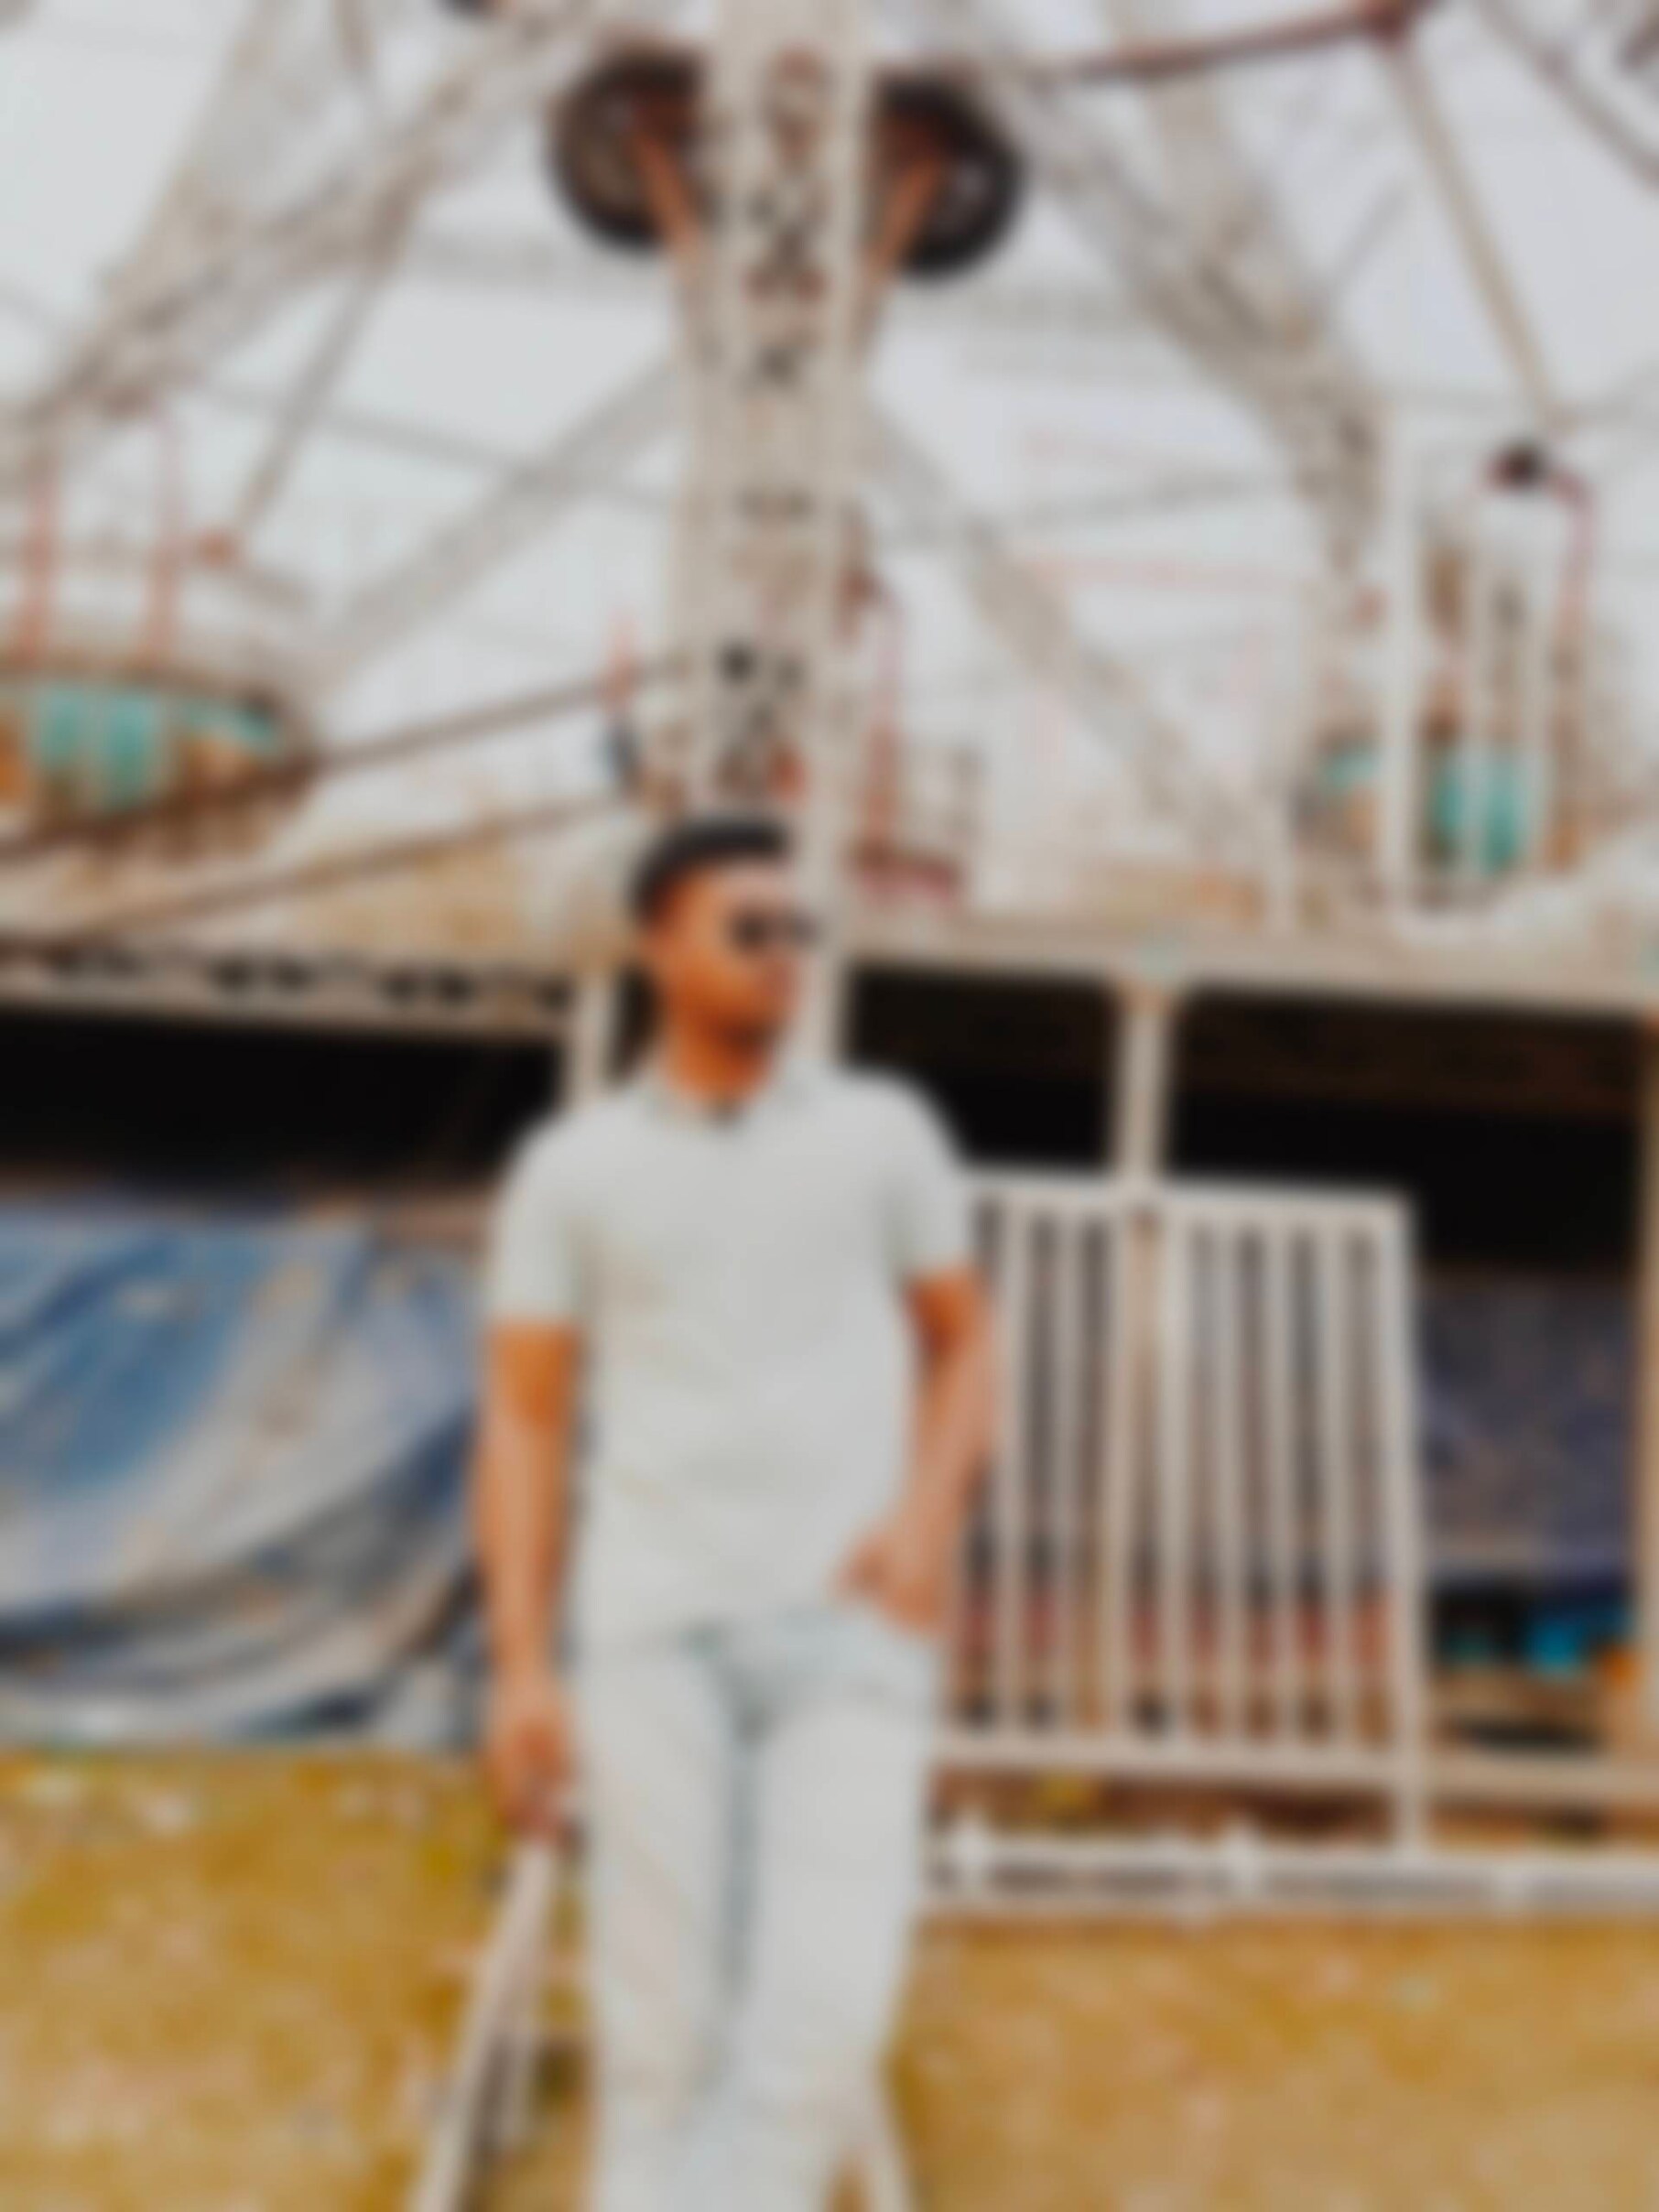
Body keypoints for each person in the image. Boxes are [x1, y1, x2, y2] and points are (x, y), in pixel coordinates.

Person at [472, 810, 994, 2212]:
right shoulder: (574, 1168)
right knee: (660, 2043)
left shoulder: (884, 1133)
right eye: (747, 928)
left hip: (850, 1636)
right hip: (655, 1635)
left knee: (821, 2030)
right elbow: (524, 1416)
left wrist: (927, 1518)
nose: (783, 954)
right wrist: (521, 1666)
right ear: (658, 946)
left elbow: (967, 1342)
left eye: (799, 928)